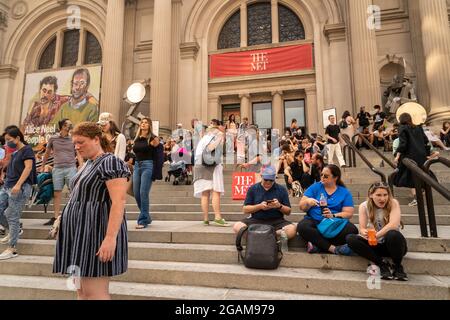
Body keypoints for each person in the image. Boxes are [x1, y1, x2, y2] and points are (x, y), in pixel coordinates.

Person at [53, 122, 130, 299]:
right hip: (78, 235)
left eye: (81, 142)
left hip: (95, 233)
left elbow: (118, 201)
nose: (76, 147)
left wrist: (110, 238)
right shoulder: (88, 164)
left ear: (96, 139)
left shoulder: (110, 162)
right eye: (74, 143)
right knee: (81, 291)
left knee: (95, 293)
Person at [346, 182, 408, 281]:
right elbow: (362, 228)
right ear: (371, 195)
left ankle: (397, 266)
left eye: (385, 195)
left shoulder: (393, 203)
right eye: (378, 195)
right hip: (375, 245)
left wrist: (376, 235)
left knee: (393, 234)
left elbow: (393, 225)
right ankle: (381, 264)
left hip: (393, 246)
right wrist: (365, 232)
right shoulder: (364, 206)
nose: (382, 199)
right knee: (350, 238)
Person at [297, 165, 357, 255]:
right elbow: (301, 207)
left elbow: (348, 213)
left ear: (335, 178)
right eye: (321, 175)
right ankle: (333, 249)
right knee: (302, 227)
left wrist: (333, 215)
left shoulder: (344, 192)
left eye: (326, 176)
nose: (322, 178)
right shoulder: (315, 187)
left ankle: (318, 246)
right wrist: (308, 202)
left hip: (333, 222)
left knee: (352, 230)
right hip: (314, 220)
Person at [0, 127, 36, 260]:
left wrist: (18, 184)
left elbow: (28, 168)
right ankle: (14, 230)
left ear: (17, 138)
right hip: (7, 186)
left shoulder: (27, 149)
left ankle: (12, 248)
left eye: (9, 140)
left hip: (19, 188)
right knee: (3, 211)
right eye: (5, 140)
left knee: (13, 215)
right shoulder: (15, 153)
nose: (7, 143)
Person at [233, 165, 297, 240]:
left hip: (276, 220)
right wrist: (259, 206)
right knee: (237, 226)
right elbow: (245, 209)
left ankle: (261, 237)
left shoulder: (281, 189)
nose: (268, 182)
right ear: (261, 177)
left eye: (271, 180)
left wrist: (279, 206)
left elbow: (288, 211)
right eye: (266, 180)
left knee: (292, 230)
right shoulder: (253, 188)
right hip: (256, 219)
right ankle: (268, 238)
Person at [40, 119, 78, 226]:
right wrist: (43, 165)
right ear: (62, 126)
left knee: (73, 192)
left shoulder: (73, 138)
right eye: (67, 124)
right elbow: (47, 152)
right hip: (57, 168)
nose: (69, 126)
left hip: (71, 168)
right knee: (57, 193)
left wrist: (81, 166)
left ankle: (73, 215)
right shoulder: (53, 138)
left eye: (70, 124)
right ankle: (55, 217)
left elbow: (78, 152)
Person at [393, 113, 437, 206]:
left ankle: (418, 196)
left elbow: (403, 144)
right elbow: (425, 141)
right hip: (421, 155)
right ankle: (421, 192)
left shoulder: (402, 128)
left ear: (401, 120)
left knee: (407, 176)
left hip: (409, 156)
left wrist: (397, 155)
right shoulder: (418, 127)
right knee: (419, 174)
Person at [193, 120, 229, 226]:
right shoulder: (216, 136)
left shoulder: (203, 138)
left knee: (205, 193)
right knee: (215, 191)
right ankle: (217, 217)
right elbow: (210, 148)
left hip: (199, 165)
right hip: (210, 166)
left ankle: (206, 219)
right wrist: (220, 137)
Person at [133, 117, 160, 228]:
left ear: (149, 126)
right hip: (136, 166)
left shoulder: (153, 138)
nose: (143, 124)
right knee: (136, 193)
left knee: (143, 193)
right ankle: (146, 215)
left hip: (147, 166)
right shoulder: (136, 139)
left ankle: (143, 220)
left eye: (146, 123)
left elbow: (159, 153)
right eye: (142, 122)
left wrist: (157, 170)